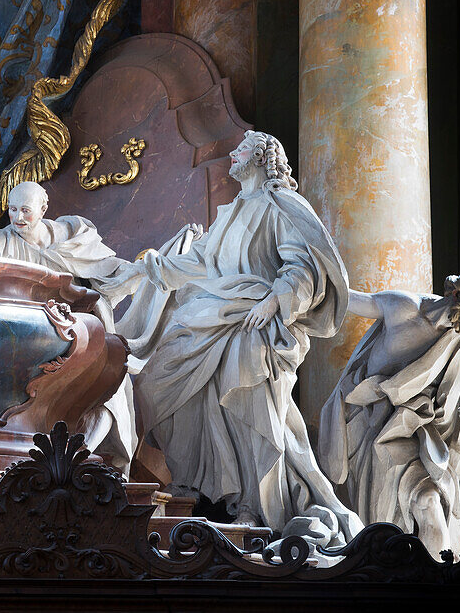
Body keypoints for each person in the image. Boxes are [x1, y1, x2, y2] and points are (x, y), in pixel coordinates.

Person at [103, 130, 361, 546]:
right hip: (210, 314)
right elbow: (200, 262)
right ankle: (192, 483)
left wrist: (276, 302)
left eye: (240, 150)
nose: (231, 155)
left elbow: (302, 264)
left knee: (249, 401)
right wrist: (142, 271)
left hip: (255, 319)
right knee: (155, 385)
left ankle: (253, 504)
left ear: (260, 157)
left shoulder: (281, 205)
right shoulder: (232, 211)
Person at [320, 269, 460, 556]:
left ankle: (438, 590)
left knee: (430, 503)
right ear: (457, 294)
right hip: (379, 433)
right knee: (387, 521)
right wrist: (311, 278)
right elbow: (347, 299)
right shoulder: (404, 308)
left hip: (434, 445)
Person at [0, 180, 136, 471]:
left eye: (26, 210)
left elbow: (109, 269)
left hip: (79, 329)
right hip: (28, 335)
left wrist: (142, 273)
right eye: (11, 210)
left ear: (43, 209)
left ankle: (86, 452)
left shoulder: (71, 236)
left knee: (107, 384)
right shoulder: (1, 239)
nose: (18, 218)